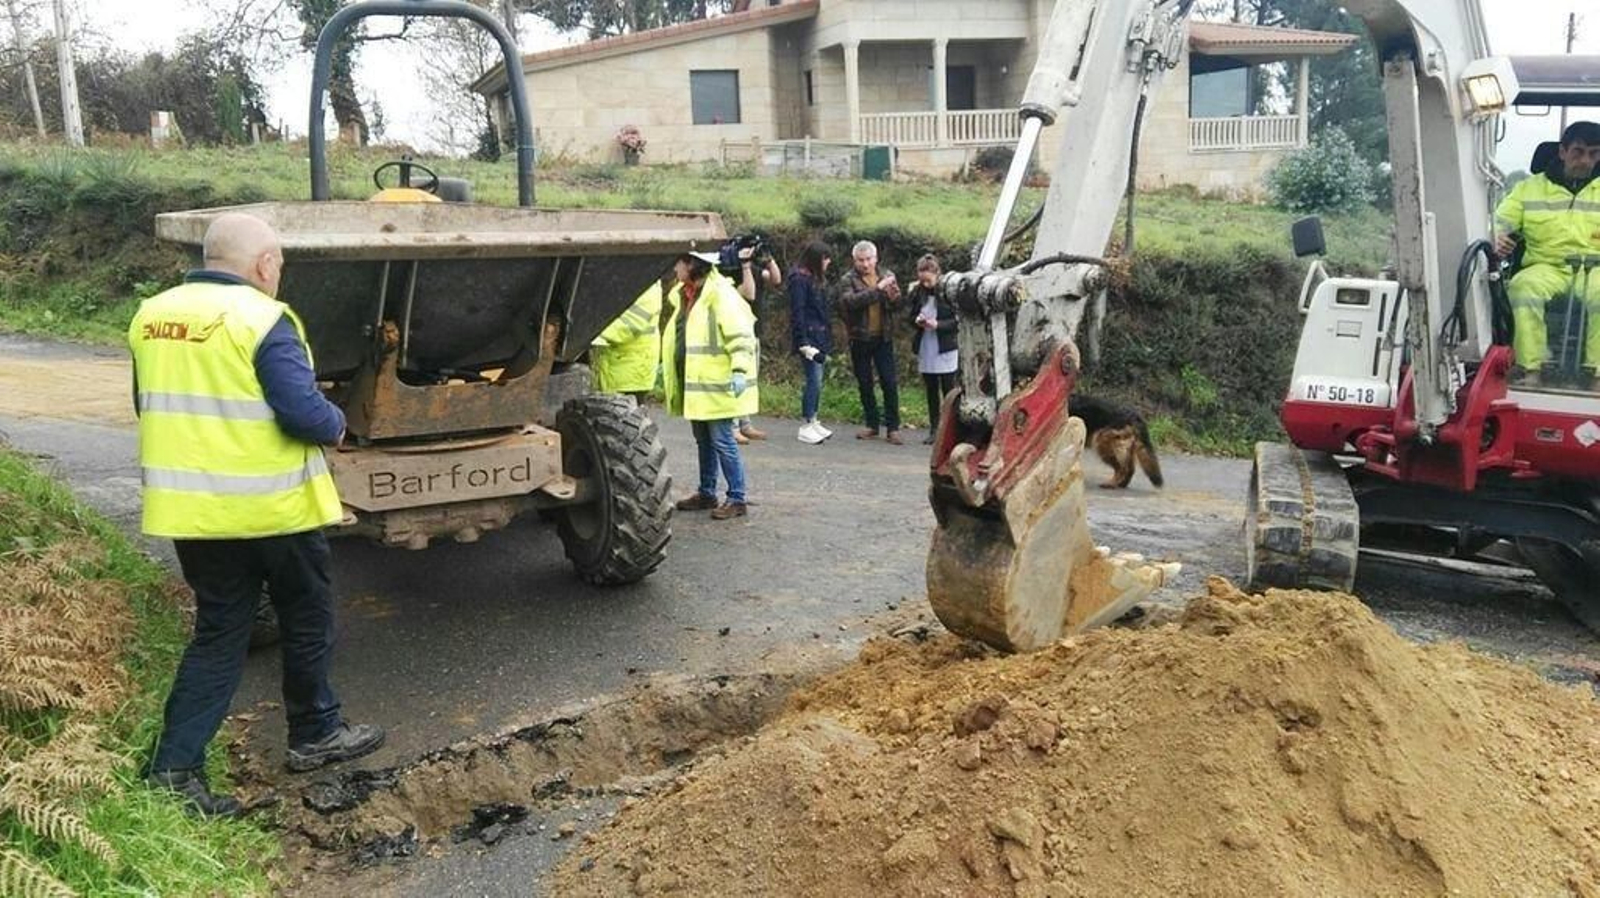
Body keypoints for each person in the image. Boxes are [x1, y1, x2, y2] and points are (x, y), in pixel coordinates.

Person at [130, 212, 383, 819]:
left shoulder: (152, 316)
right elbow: (302, 412)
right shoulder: (263, 319)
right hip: (272, 510)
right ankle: (316, 732)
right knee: (307, 614)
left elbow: (148, 404)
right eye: (279, 266)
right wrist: (338, 423)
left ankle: (174, 770)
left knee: (219, 633)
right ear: (265, 265)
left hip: (193, 512)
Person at [1494, 119, 1600, 389]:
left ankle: (1598, 376)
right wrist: (1498, 236)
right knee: (1522, 288)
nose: (1585, 161)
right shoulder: (1529, 189)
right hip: (1545, 267)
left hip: (1595, 268)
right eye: (1578, 152)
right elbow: (1500, 222)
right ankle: (1531, 370)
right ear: (1562, 152)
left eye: (1594, 154)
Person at [663, 249, 759, 520]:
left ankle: (737, 498)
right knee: (704, 440)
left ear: (692, 264)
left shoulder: (720, 294)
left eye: (678, 263)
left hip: (717, 385)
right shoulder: (688, 294)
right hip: (698, 386)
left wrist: (739, 370)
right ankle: (707, 493)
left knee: (723, 441)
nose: (675, 270)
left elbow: (740, 334)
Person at [837, 240, 904, 444]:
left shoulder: (886, 275)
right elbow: (850, 303)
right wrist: (878, 290)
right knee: (865, 383)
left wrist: (894, 297)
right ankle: (872, 424)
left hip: (883, 337)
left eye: (868, 259)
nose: (865, 264)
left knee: (889, 382)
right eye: (861, 260)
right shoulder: (848, 279)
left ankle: (893, 427)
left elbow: (898, 306)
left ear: (876, 259)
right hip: (860, 337)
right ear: (854, 260)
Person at [723, 241, 783, 444]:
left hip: (753, 332)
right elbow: (749, 293)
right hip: (737, 333)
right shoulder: (728, 275)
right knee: (736, 381)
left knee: (749, 382)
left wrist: (768, 258)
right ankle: (732, 426)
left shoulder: (756, 270)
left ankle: (745, 423)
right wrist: (745, 266)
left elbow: (776, 279)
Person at [906, 254, 958, 445]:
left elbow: (957, 321)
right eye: (922, 280)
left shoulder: (948, 292)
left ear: (937, 274)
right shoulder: (917, 292)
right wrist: (917, 321)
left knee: (948, 391)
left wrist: (938, 324)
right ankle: (934, 429)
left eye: (928, 280)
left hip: (945, 347)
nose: (925, 284)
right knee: (930, 390)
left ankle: (952, 430)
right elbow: (910, 316)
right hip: (926, 345)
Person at [788, 241, 835, 444]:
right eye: (825, 259)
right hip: (808, 336)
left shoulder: (815, 279)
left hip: (820, 335)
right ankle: (807, 423)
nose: (828, 263)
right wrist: (803, 342)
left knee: (818, 379)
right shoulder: (799, 279)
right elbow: (797, 311)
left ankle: (814, 418)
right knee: (813, 379)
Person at [591, 279, 664, 401]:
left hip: (632, 372)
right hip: (620, 367)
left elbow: (629, 326)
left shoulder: (648, 289)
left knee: (625, 416)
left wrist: (591, 336)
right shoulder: (633, 283)